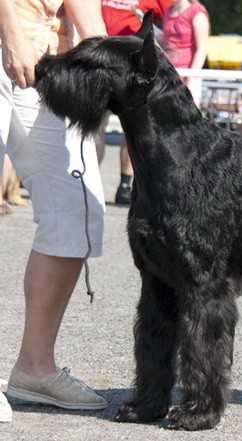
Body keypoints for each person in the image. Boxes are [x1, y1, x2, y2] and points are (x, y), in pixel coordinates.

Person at [0, 0, 108, 421]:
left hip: (48, 62)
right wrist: (9, 30)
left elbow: (89, 19)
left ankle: (35, 367)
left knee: (75, 213)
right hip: (10, 37)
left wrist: (106, 62)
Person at [99, 0, 171, 205]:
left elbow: (175, 19)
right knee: (97, 127)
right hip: (103, 63)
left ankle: (125, 185)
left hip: (133, 70)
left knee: (131, 130)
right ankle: (88, 181)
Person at [163, 0, 210, 107]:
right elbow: (166, 43)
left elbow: (201, 50)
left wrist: (190, 79)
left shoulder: (197, 13)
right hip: (167, 75)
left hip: (188, 76)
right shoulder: (168, 12)